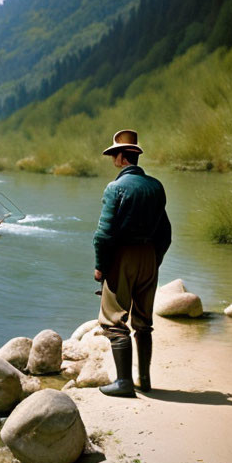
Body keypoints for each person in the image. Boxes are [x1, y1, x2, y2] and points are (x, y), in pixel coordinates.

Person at [93, 129, 171, 397]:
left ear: (122, 157)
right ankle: (145, 380)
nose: (113, 159)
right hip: (149, 255)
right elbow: (166, 232)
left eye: (115, 154)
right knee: (143, 322)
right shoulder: (156, 186)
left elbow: (104, 234)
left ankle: (124, 383)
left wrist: (101, 266)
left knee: (113, 321)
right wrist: (154, 260)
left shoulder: (115, 188)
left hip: (122, 257)